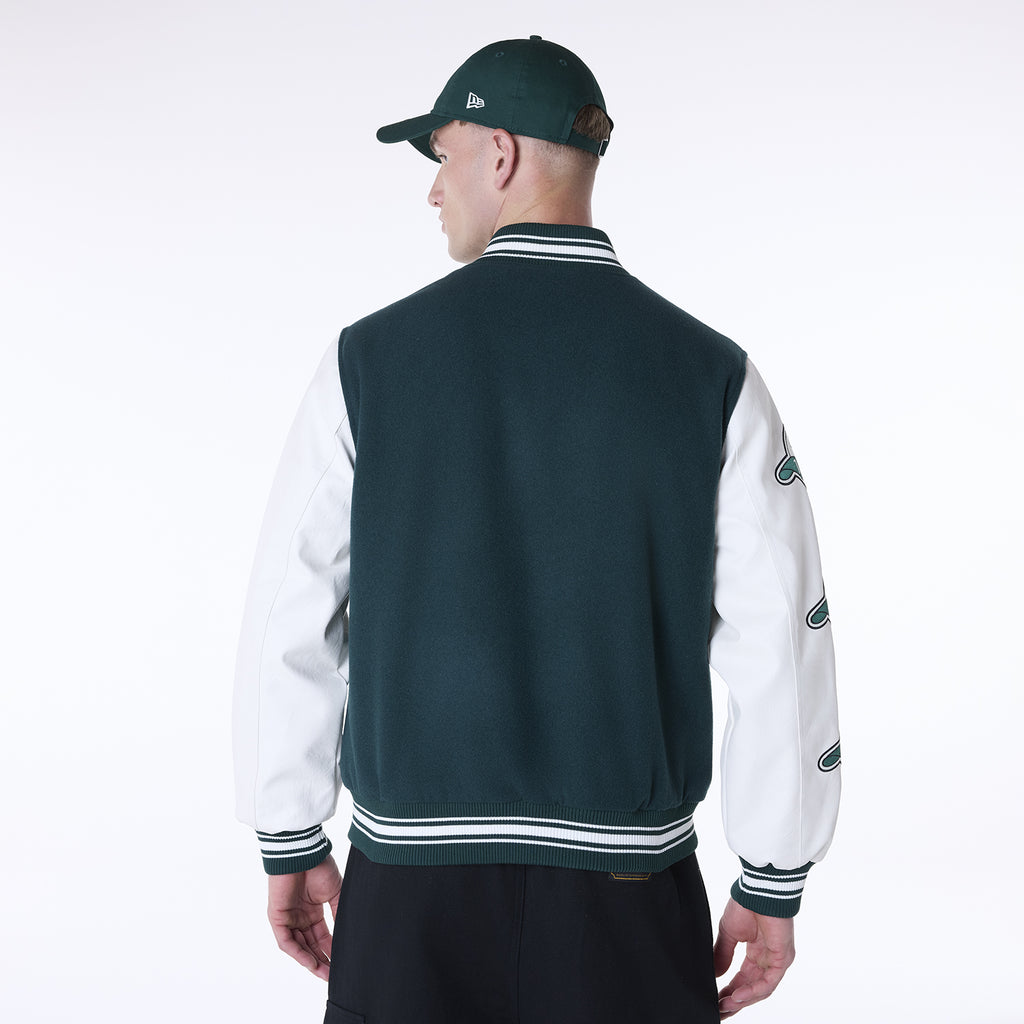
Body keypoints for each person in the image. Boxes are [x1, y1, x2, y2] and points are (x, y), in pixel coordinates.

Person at [233, 35, 840, 1023]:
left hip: (412, 893)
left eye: (442, 155)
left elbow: (289, 617)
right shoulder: (710, 376)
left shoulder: (367, 364)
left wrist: (289, 834)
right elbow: (785, 642)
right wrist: (774, 875)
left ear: (502, 154)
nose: (434, 190)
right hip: (628, 897)